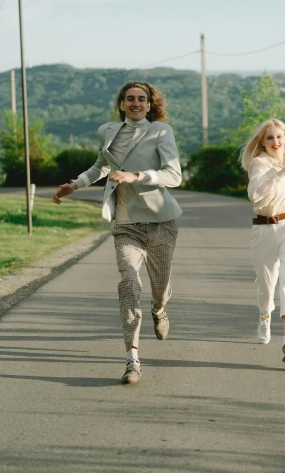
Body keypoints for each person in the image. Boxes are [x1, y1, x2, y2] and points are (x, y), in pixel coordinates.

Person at [52, 81, 182, 385]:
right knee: (129, 283)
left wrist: (136, 175)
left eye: (142, 99)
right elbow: (100, 165)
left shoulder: (162, 132)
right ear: (121, 104)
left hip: (160, 221)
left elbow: (174, 175)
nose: (136, 103)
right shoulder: (107, 131)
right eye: (130, 99)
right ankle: (132, 359)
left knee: (159, 287)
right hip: (125, 224)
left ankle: (159, 308)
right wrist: (75, 184)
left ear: (149, 105)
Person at [239, 119, 285, 363]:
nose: (275, 142)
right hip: (265, 230)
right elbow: (255, 194)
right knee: (266, 286)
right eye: (270, 138)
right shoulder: (259, 164)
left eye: (279, 137)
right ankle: (265, 315)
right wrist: (283, 172)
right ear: (263, 142)